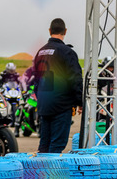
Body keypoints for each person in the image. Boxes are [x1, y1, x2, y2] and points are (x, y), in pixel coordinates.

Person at [32, 18, 83, 153]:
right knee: (57, 145)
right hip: (61, 105)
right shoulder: (67, 52)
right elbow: (75, 79)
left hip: (44, 105)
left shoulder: (40, 52)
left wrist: (41, 99)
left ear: (50, 31)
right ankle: (50, 167)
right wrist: (79, 102)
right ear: (65, 31)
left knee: (44, 145)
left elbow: (36, 80)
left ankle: (41, 166)